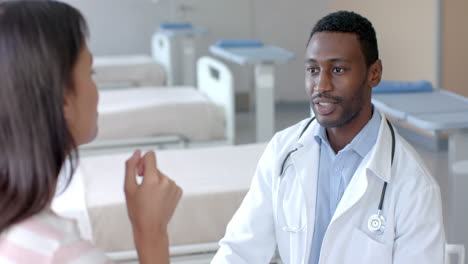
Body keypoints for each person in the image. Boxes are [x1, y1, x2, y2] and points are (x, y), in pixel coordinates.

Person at [211, 10, 445, 264]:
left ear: (374, 73)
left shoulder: (414, 185)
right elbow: (240, 249)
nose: (321, 85)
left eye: (337, 69)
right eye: (313, 69)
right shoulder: (283, 150)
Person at [0, 1, 182, 263]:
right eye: (90, 72)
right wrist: (151, 232)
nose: (97, 90)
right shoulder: (61, 252)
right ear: (63, 101)